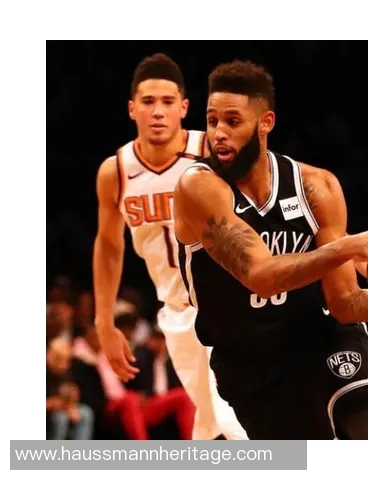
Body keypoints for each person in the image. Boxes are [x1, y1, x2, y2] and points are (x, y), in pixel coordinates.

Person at [172, 60, 368, 440]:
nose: (219, 133)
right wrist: (346, 247)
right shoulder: (198, 189)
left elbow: (345, 304)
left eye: (233, 121)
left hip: (323, 337)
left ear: (265, 122)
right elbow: (260, 276)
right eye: (212, 120)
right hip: (252, 364)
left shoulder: (316, 187)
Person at [93, 53, 247, 440]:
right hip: (176, 311)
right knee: (208, 422)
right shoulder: (116, 171)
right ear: (132, 109)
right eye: (148, 102)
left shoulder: (212, 150)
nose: (158, 111)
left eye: (167, 101)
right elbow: (109, 246)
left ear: (184, 107)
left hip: (228, 300)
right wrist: (104, 321)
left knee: (234, 419)